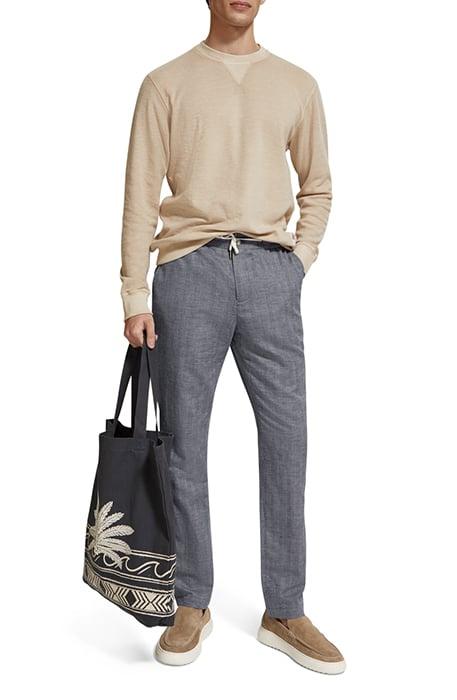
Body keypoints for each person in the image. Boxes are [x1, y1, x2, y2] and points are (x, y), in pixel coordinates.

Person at [120, 0, 345, 673]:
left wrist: (298, 260)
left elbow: (318, 186)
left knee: (287, 440)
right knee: (183, 443)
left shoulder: (296, 84)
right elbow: (139, 194)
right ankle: (191, 601)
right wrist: (135, 293)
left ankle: (285, 608)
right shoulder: (165, 82)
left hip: (272, 271)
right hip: (188, 272)